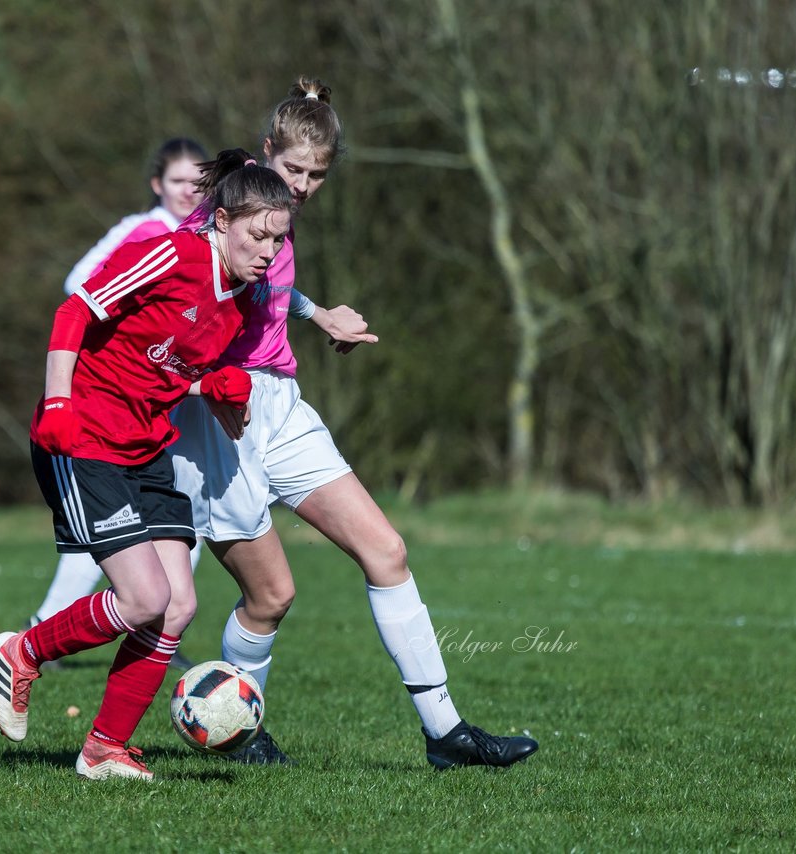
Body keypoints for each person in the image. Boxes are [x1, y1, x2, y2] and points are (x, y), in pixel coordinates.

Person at [171, 79, 539, 769]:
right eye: (293, 171)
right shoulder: (211, 232)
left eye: (318, 175)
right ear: (265, 153)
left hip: (283, 405)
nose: (305, 187)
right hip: (223, 419)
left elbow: (275, 280)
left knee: (387, 551)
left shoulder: (274, 219)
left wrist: (317, 315)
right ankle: (238, 731)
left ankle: (445, 734)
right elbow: (177, 317)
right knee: (271, 596)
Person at [0, 150, 297, 781]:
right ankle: (24, 650)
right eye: (257, 235)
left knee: (177, 607)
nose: (267, 251)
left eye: (278, 239)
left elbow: (161, 369)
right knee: (144, 597)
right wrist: (56, 401)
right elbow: (75, 311)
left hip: (146, 446)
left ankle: (103, 749)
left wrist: (211, 385)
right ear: (221, 221)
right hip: (84, 438)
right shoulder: (173, 255)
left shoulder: (239, 301)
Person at [28, 140, 208, 674]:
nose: (187, 192)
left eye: (198, 185)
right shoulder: (146, 232)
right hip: (108, 402)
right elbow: (78, 288)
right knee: (111, 532)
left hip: (168, 406)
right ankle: (46, 627)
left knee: (181, 525)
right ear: (157, 184)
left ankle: (160, 629)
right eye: (178, 181)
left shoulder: (202, 240)